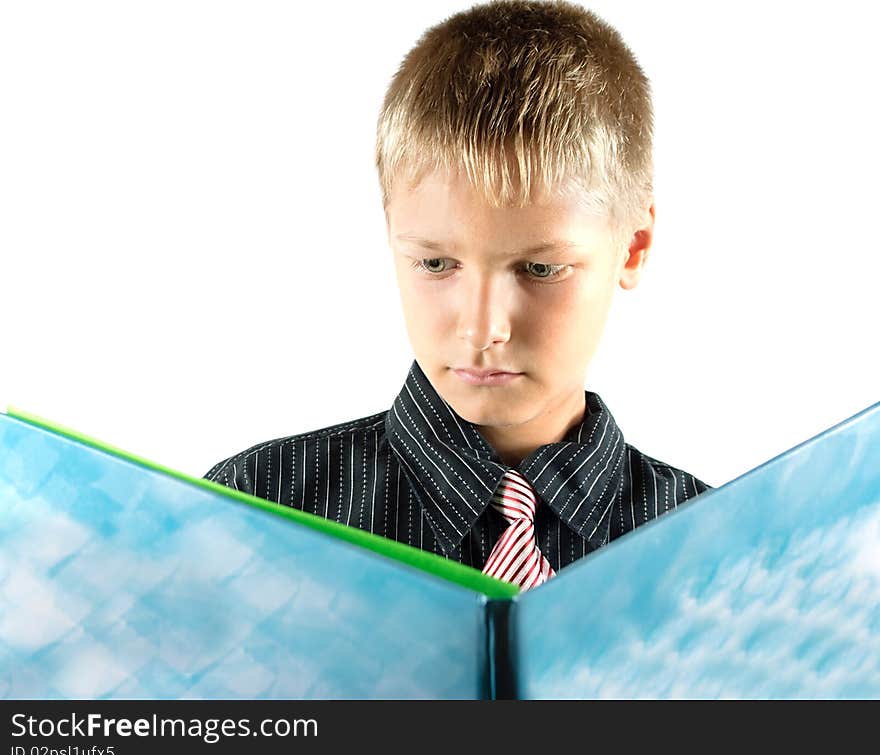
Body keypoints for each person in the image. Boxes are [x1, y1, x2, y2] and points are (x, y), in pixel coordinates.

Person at [203, 0, 713, 590]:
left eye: (541, 268)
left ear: (632, 247)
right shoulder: (253, 514)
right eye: (436, 263)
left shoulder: (715, 547)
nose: (481, 328)